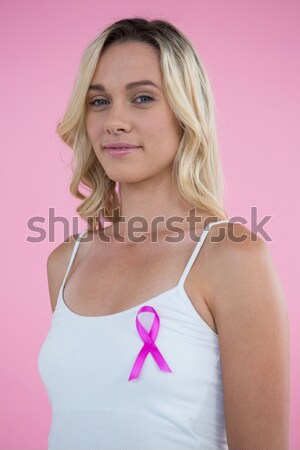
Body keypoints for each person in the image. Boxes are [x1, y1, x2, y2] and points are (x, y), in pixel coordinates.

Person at [38, 17, 290, 450]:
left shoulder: (231, 258)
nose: (114, 121)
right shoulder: (66, 262)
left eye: (141, 98)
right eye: (99, 102)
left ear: (184, 111)